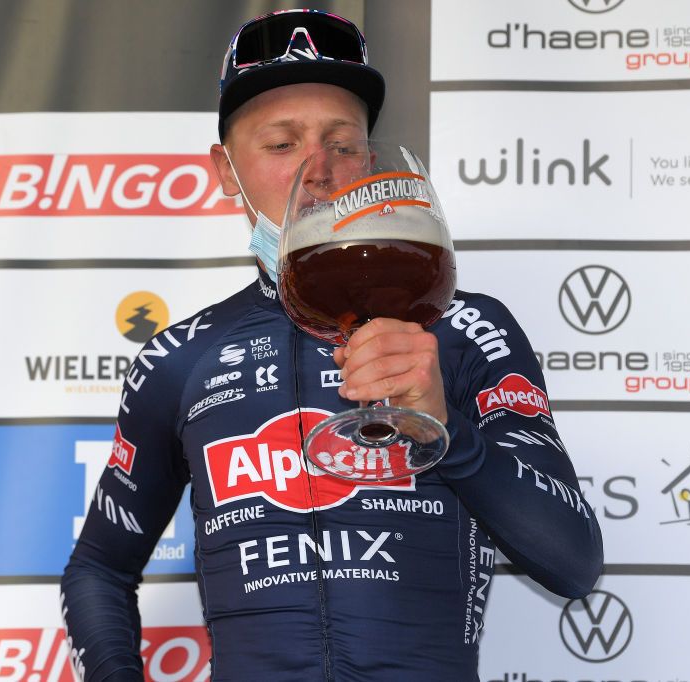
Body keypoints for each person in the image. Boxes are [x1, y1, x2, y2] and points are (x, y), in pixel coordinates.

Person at [61, 9, 603, 681]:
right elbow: (99, 567)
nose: (318, 171)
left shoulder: (466, 329)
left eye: (342, 144)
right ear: (225, 170)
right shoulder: (179, 356)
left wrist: (446, 430)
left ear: (370, 163)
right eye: (282, 144)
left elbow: (574, 563)